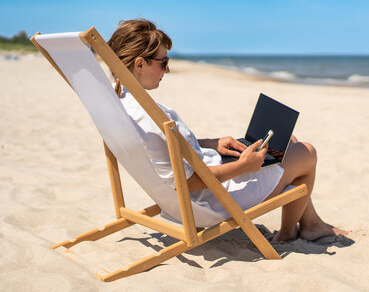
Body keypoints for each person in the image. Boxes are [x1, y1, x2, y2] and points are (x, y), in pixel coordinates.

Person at [108, 19, 346, 242]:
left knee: (287, 140)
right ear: (140, 64)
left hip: (201, 183)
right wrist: (244, 166)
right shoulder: (148, 117)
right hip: (211, 200)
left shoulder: (117, 101)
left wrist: (211, 142)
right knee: (306, 152)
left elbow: (160, 150)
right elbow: (187, 183)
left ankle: (310, 224)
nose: (167, 70)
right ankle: (291, 232)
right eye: (163, 62)